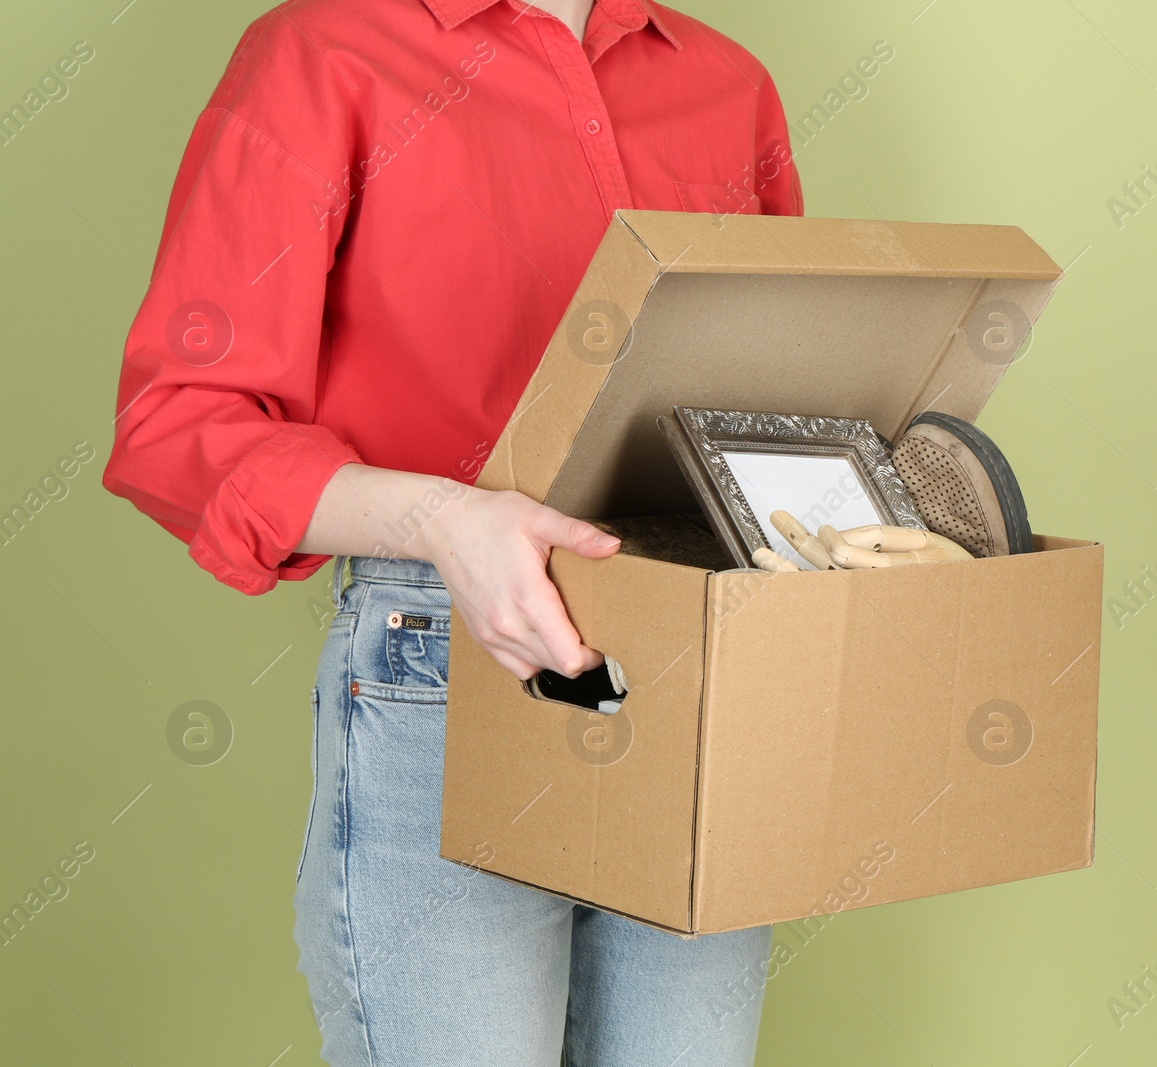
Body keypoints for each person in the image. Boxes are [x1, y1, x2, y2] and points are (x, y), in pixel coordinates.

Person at [102, 0, 802, 1063]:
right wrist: (444, 517)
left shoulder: (727, 82)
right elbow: (178, 423)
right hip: (445, 660)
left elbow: (781, 401)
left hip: (700, 660)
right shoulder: (321, 52)